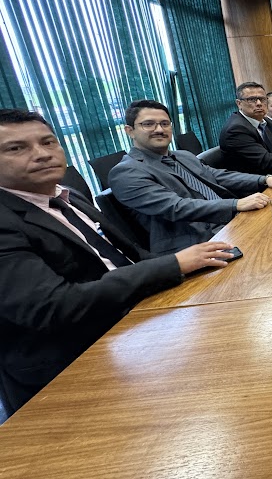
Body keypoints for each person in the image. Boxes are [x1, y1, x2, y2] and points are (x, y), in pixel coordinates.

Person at [0, 109, 235, 415]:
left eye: (48, 142)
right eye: (16, 148)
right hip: (74, 363)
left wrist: (193, 271)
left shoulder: (68, 196)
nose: (42, 154)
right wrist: (174, 265)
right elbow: (54, 306)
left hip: (138, 319)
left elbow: (131, 257)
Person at [109, 100, 272, 256]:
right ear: (130, 130)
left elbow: (217, 175)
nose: (159, 129)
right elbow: (176, 207)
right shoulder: (126, 172)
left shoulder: (182, 155)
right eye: (148, 124)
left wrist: (263, 180)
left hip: (230, 223)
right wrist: (236, 204)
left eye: (165, 124)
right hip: (196, 243)